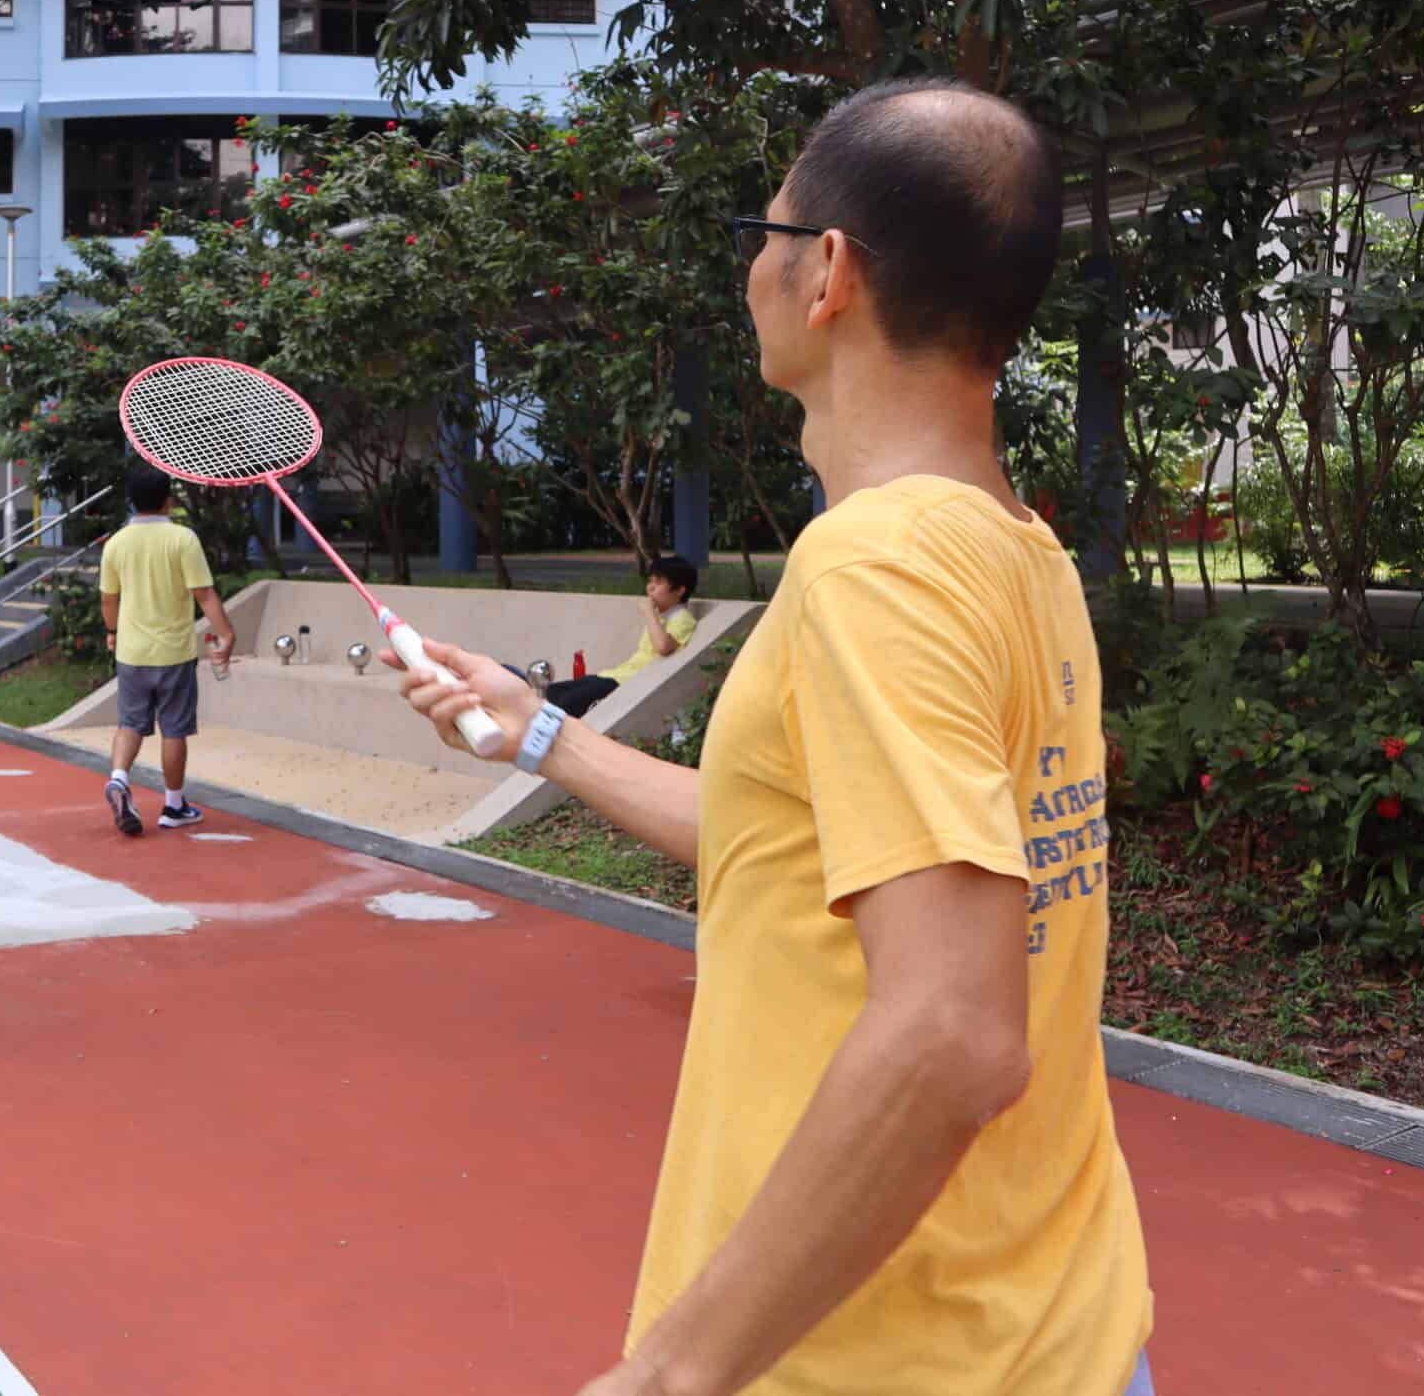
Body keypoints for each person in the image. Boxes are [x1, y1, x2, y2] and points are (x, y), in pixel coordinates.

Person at [391, 79, 1155, 1396]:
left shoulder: (880, 565)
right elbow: (795, 844)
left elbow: (953, 1030)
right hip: (1055, 1330)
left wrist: (672, 1370)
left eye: (768, 226)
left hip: (895, 1363)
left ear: (829, 274)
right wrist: (538, 737)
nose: (753, 259)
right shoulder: (1008, 547)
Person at [99, 462, 235, 836]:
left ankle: (119, 778)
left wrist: (111, 631)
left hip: (131, 653)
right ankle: (174, 806)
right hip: (173, 653)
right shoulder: (182, 539)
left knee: (130, 724)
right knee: (173, 730)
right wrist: (226, 634)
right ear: (167, 501)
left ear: (132, 501)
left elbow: (109, 599)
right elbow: (203, 594)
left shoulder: (116, 544)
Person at [546, 555, 699, 718]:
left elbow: (663, 647)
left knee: (568, 702)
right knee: (553, 691)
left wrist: (648, 612)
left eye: (659, 582)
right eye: (650, 581)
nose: (650, 588)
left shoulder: (682, 618)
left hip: (630, 682)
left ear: (680, 590)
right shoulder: (659, 616)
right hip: (617, 674)